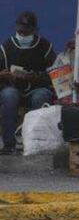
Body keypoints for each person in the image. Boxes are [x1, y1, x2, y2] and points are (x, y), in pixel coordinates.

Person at [0, 11, 57, 154]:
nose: (23, 35)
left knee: (41, 96)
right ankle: (8, 143)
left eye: (27, 32)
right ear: (16, 29)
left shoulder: (45, 46)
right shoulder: (6, 47)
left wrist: (35, 77)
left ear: (34, 31)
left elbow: (55, 73)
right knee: (9, 95)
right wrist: (2, 75)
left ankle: (33, 142)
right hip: (12, 87)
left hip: (37, 88)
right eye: (21, 32)